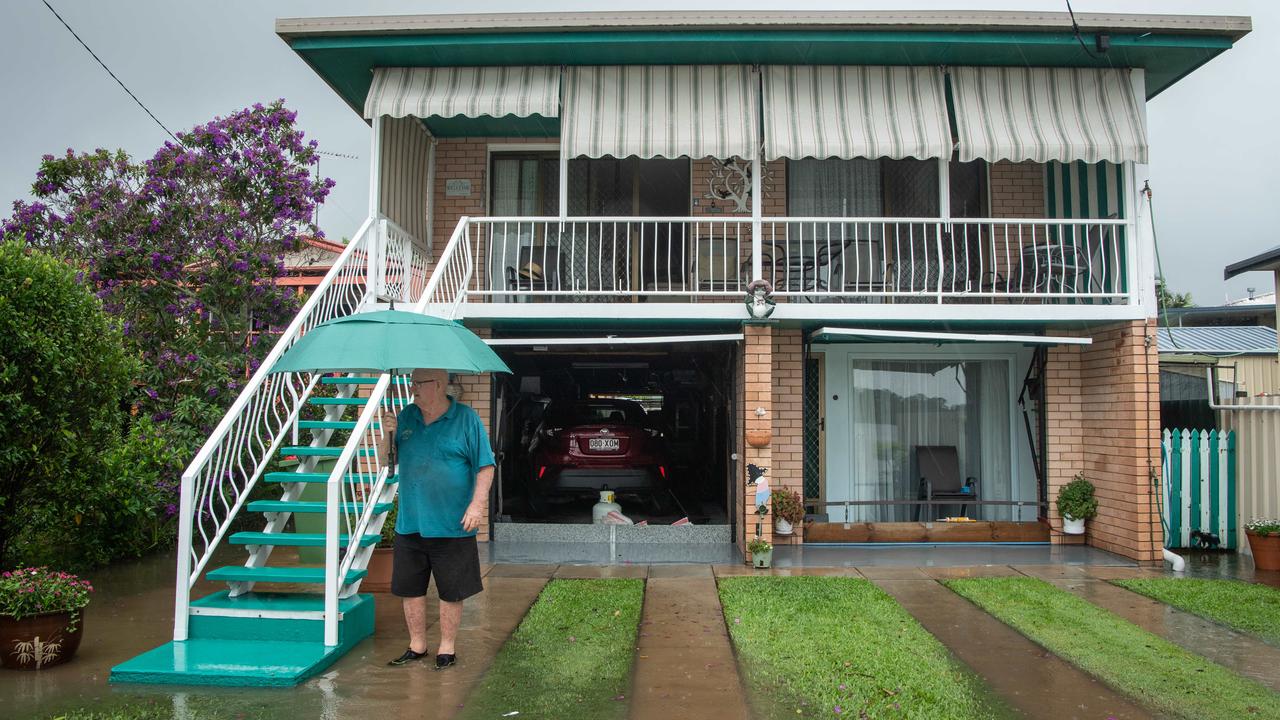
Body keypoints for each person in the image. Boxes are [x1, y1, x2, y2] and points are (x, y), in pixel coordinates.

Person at [379, 367, 494, 669]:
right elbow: (385, 461)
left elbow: (486, 466)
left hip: (452, 523)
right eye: (411, 382)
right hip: (412, 521)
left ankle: (447, 648)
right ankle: (417, 645)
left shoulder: (466, 419)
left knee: (451, 589)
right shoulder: (406, 416)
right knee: (410, 588)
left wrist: (476, 505)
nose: (413, 388)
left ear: (440, 385)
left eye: (419, 383)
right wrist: (386, 434)